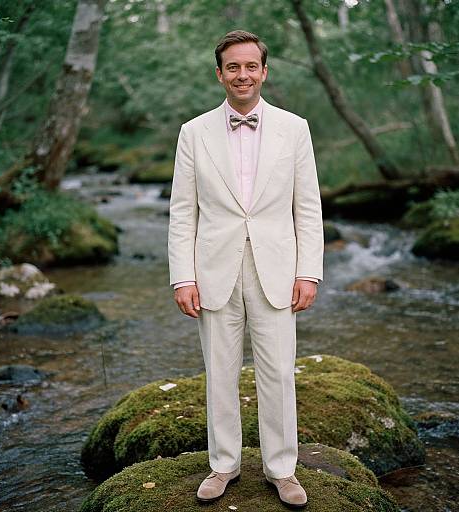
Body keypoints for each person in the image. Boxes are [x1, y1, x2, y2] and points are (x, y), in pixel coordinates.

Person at [167, 29, 324, 508]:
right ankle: (223, 466)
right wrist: (183, 276)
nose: (242, 75)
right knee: (220, 372)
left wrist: (309, 271)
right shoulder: (194, 132)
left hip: (278, 268)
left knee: (278, 373)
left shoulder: (294, 128)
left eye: (250, 66)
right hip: (213, 268)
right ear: (220, 74)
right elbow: (182, 211)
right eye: (232, 67)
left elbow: (308, 208)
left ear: (264, 71)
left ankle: (282, 470)